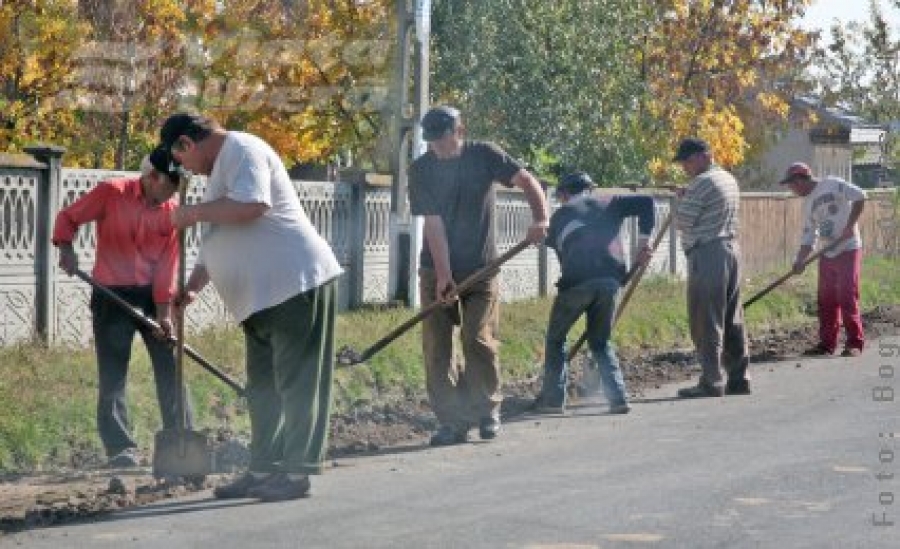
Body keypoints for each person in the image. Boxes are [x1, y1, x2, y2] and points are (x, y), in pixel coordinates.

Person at [160, 112, 343, 502]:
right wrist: (192, 287)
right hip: (258, 301)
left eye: (180, 160)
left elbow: (252, 205)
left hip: (294, 286)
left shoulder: (242, 148)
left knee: (297, 384)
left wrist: (192, 213)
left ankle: (295, 474)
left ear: (186, 144)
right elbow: (218, 238)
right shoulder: (219, 177)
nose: (183, 169)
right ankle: (263, 468)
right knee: (262, 389)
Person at [408, 105, 550, 446]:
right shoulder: (421, 169)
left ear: (459, 131)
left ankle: (486, 410)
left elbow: (527, 180)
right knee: (437, 347)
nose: (438, 150)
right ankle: (452, 422)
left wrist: (541, 218)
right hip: (435, 268)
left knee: (477, 337)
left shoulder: (484, 155)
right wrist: (443, 276)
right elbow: (433, 223)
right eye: (432, 143)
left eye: (442, 141)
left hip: (482, 268)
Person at [53, 146, 192, 468]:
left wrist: (164, 315)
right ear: (152, 177)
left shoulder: (171, 212)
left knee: (171, 367)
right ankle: (120, 449)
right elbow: (68, 218)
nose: (168, 197)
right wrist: (66, 248)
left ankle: (179, 437)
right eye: (168, 188)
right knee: (113, 373)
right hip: (111, 296)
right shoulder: (111, 193)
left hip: (151, 296)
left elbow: (167, 266)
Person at [532, 172, 655, 414]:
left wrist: (538, 234)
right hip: (611, 282)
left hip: (575, 284)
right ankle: (618, 397)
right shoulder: (609, 202)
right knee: (600, 342)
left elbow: (552, 246)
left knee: (556, 339)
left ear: (565, 193)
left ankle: (554, 400)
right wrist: (644, 243)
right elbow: (647, 202)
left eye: (560, 196)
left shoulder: (559, 217)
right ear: (589, 189)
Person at [671, 138, 751, 398]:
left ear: (704, 156)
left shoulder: (701, 183)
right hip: (730, 249)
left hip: (707, 253)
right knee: (732, 318)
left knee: (706, 319)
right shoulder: (728, 179)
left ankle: (711, 380)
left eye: (688, 160)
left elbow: (683, 221)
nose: (685, 166)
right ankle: (739, 377)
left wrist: (682, 200)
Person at [780, 162, 867, 357]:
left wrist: (849, 226)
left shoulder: (832, 184)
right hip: (827, 252)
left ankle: (855, 343)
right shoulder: (807, 204)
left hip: (849, 247)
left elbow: (861, 196)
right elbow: (809, 236)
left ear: (800, 179)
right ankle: (827, 344)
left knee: (847, 294)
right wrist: (799, 260)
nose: (792, 190)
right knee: (826, 299)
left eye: (791, 185)